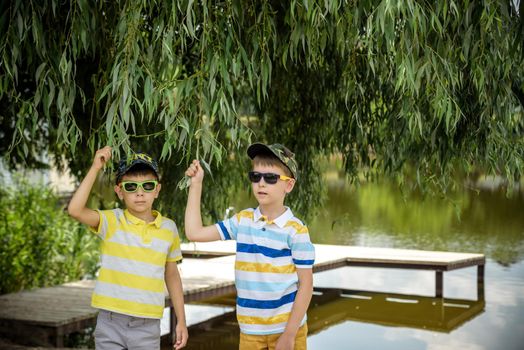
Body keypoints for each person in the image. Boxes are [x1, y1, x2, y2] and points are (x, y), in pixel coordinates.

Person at [185, 143, 315, 350]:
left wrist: (289, 335)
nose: (261, 183)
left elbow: (306, 286)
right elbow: (194, 233)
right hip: (250, 332)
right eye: (256, 176)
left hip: (288, 330)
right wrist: (196, 185)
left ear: (288, 185)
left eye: (270, 178)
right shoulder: (242, 221)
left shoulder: (296, 231)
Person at [67, 146, 188, 350]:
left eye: (147, 186)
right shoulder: (112, 221)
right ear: (119, 191)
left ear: (157, 190)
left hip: (147, 325)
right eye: (131, 187)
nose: (140, 193)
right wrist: (96, 167)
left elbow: (172, 275)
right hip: (110, 322)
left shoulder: (169, 228)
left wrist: (182, 321)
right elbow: (75, 210)